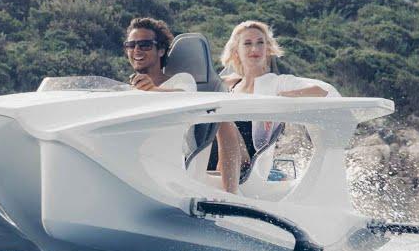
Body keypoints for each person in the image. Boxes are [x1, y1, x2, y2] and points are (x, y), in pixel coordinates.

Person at [209, 20, 340, 193]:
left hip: (247, 164)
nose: (254, 49)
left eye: (260, 43)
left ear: (268, 49)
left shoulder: (277, 83)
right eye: (247, 43)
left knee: (223, 120)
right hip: (213, 157)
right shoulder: (229, 84)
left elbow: (322, 91)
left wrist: (283, 97)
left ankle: (229, 196)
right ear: (236, 51)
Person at [123, 17, 196, 93]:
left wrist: (151, 89)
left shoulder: (182, 80)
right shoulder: (124, 91)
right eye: (131, 45)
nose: (136, 50)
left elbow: (186, 96)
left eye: (145, 45)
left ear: (161, 50)